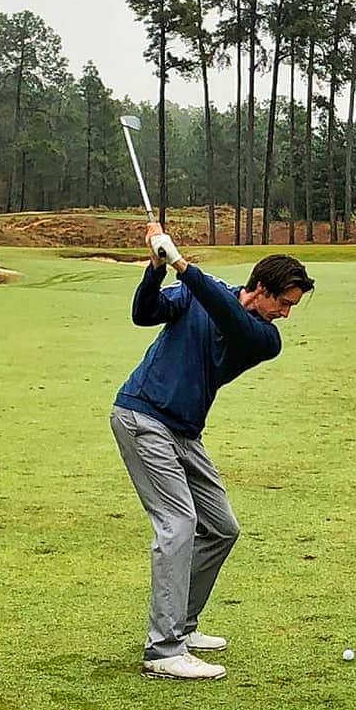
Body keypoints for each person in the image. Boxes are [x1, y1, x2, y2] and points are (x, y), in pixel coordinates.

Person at [111, 224, 315, 680]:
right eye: (283, 303)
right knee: (178, 523)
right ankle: (163, 651)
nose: (285, 314)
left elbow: (227, 315)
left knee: (221, 528)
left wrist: (184, 266)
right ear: (260, 289)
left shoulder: (263, 338)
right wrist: (156, 268)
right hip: (143, 417)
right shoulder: (198, 295)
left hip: (184, 431)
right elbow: (145, 314)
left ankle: (181, 625)